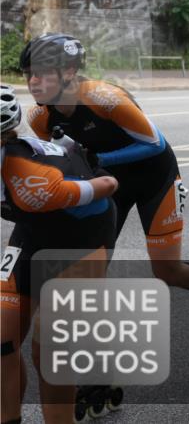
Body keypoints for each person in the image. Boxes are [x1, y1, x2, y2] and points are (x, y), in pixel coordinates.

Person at [20, 35, 189, 351]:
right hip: (108, 186)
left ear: (70, 71)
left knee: (166, 270)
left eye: (42, 73)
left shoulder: (105, 98)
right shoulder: (41, 117)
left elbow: (153, 143)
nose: (33, 82)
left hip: (154, 178)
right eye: (28, 73)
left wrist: (102, 159)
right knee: (89, 271)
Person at [2, 84, 119, 424]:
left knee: (50, 346)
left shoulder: (30, 182)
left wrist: (81, 163)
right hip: (32, 232)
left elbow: (109, 185)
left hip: (83, 238)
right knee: (2, 337)